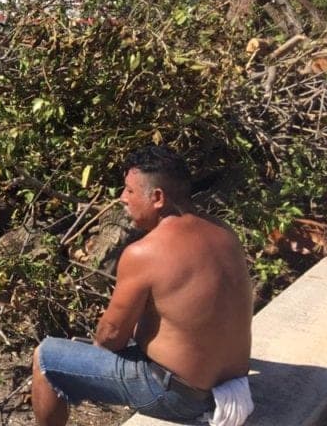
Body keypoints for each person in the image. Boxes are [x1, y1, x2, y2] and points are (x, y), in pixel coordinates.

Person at [31, 145, 254, 425]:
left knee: (47, 358)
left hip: (180, 397)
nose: (122, 198)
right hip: (232, 387)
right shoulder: (223, 232)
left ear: (158, 197)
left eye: (130, 191)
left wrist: (94, 348)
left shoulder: (144, 253)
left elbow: (110, 337)